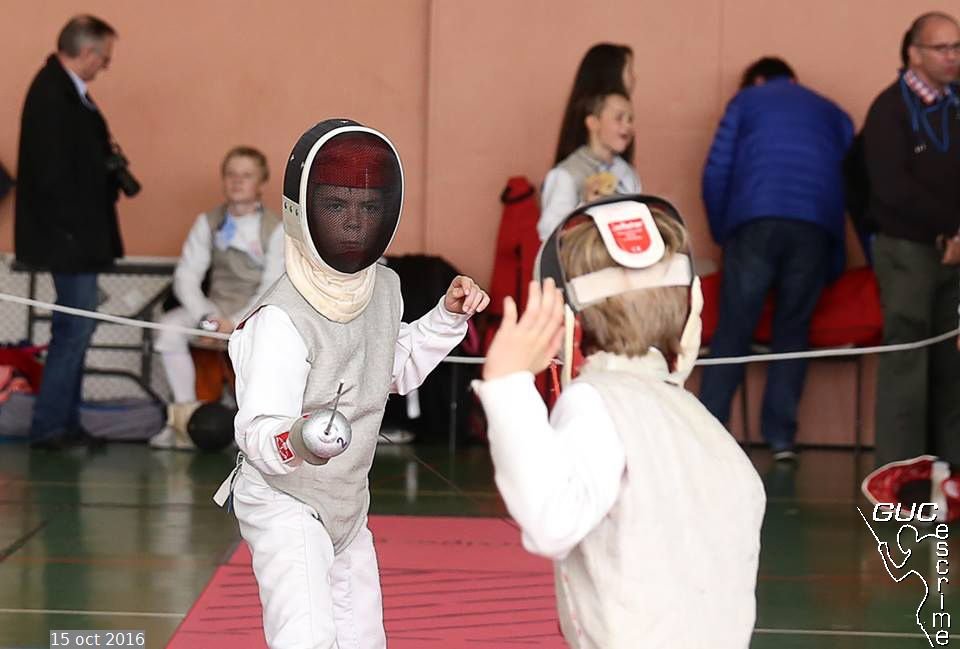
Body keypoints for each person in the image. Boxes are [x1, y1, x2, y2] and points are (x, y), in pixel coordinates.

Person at [212, 119, 489, 649]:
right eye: (337, 205)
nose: (356, 221)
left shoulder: (382, 287)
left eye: (369, 205)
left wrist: (447, 317)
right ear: (304, 210)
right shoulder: (279, 318)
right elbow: (258, 429)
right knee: (306, 636)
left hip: (347, 501)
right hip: (283, 499)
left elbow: (392, 368)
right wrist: (299, 438)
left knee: (363, 638)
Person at [475, 196, 765, 648]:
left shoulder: (597, 401)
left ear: (567, 322)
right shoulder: (705, 426)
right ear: (692, 306)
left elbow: (552, 520)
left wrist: (508, 386)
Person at [698, 57, 854, 461]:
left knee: (733, 330)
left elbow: (717, 171)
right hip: (814, 226)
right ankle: (782, 439)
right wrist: (837, 253)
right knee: (792, 333)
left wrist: (724, 232)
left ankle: (707, 435)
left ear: (757, 80)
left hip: (755, 220)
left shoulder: (746, 102)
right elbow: (850, 184)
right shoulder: (832, 112)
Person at [14, 15, 128, 450]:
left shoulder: (66, 91)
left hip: (77, 238)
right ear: (87, 52)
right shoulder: (53, 94)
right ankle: (51, 427)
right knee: (72, 332)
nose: (105, 66)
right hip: (70, 240)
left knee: (76, 331)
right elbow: (52, 175)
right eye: (105, 58)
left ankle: (65, 421)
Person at [863, 12, 960, 468]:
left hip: (953, 249)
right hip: (908, 249)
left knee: (950, 363)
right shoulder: (889, 109)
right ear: (914, 53)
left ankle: (948, 471)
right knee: (907, 361)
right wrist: (949, 227)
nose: (952, 57)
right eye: (942, 48)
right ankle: (900, 475)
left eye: (957, 47)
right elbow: (891, 188)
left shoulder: (955, 103)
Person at [149, 146, 282, 450]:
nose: (237, 181)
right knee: (169, 328)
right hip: (213, 310)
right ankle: (184, 421)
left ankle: (254, 430)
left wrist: (234, 323)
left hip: (255, 313)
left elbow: (272, 286)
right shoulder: (207, 221)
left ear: (261, 182)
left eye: (246, 175)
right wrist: (206, 318)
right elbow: (186, 276)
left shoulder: (276, 229)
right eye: (231, 174)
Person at [538, 91, 642, 241]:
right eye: (619, 118)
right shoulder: (566, 174)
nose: (628, 126)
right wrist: (584, 206)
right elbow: (549, 233)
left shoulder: (628, 173)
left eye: (630, 119)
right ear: (593, 123)